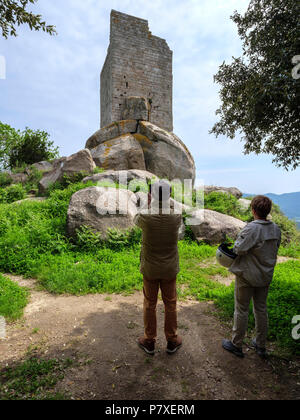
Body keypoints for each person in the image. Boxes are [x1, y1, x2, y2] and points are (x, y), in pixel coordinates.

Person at [222, 195, 281, 359]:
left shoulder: (251, 228)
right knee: (261, 309)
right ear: (268, 211)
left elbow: (238, 249)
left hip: (247, 276)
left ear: (253, 210)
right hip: (265, 276)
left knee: (241, 309)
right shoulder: (276, 229)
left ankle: (236, 344)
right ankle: (261, 345)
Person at [134, 180, 183, 355]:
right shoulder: (176, 215)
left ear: (152, 195)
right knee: (170, 303)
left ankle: (149, 340)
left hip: (150, 268)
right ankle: (172, 340)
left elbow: (135, 220)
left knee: (149, 304)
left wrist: (148, 204)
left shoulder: (146, 216)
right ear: (169, 195)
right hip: (169, 268)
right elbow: (180, 230)